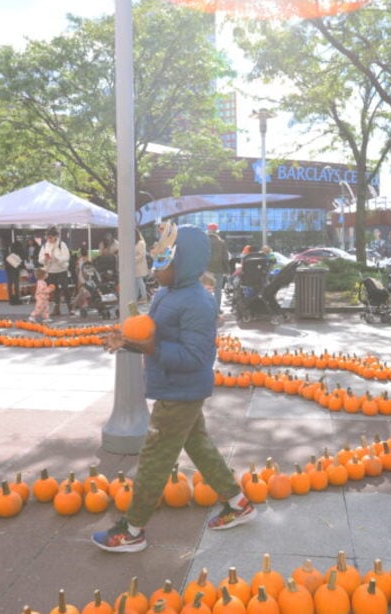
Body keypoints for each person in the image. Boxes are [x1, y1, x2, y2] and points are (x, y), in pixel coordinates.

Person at [92, 223, 256, 553]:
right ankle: (239, 504)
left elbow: (195, 357)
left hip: (181, 391)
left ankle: (133, 530)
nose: (156, 270)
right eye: (156, 260)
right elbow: (156, 336)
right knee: (198, 445)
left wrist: (149, 348)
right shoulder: (168, 293)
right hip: (173, 386)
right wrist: (128, 340)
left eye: (164, 261)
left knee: (155, 457)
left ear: (186, 263)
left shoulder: (197, 302)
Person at [38, 227, 71, 317]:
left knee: (65, 288)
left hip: (61, 270)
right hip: (51, 271)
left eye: (51, 237)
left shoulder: (61, 244)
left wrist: (58, 258)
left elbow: (67, 257)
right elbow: (40, 259)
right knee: (54, 290)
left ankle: (70, 307)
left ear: (56, 236)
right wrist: (45, 259)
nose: (49, 239)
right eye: (48, 237)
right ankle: (56, 309)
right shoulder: (45, 246)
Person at [206, 223, 229, 314]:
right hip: (218, 270)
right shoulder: (221, 242)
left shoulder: (204, 241)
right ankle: (217, 309)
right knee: (218, 290)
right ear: (217, 232)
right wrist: (227, 270)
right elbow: (225, 257)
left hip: (206, 270)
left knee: (206, 289)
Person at [5, 240, 26, 305]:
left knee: (10, 283)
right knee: (16, 283)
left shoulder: (9, 252)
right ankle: (17, 298)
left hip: (8, 268)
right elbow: (21, 262)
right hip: (15, 269)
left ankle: (10, 298)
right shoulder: (19, 251)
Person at [135, 230, 149, 304]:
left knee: (140, 282)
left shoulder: (141, 243)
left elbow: (141, 255)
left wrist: (133, 260)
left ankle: (144, 297)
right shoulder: (135, 243)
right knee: (137, 282)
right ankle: (136, 297)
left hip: (139, 266)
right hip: (136, 266)